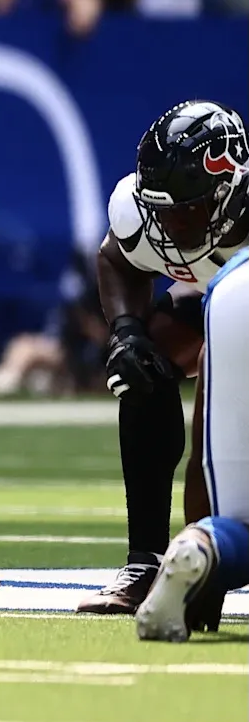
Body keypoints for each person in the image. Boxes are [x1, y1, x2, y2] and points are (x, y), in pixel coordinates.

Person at [82, 101, 248, 613]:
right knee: (141, 367)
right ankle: (148, 559)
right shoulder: (146, 214)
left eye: (188, 212)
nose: (172, 229)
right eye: (164, 212)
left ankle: (207, 562)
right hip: (225, 303)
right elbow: (117, 256)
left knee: (214, 442)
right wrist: (126, 333)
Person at [136, 245, 249, 641]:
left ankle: (202, 547)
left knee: (240, 524)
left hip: (232, 287)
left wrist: (208, 577)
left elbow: (202, 455)